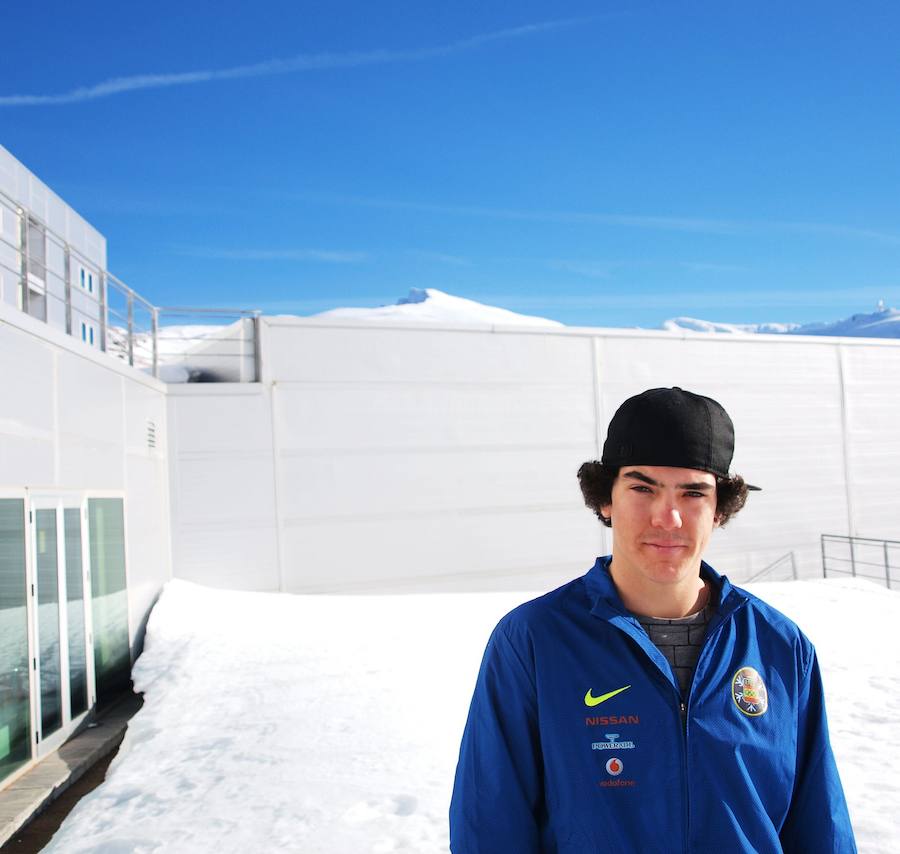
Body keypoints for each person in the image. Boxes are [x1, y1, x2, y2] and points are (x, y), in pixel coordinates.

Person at [449, 387, 856, 853]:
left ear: (720, 508)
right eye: (643, 488)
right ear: (606, 499)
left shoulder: (779, 645)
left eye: (693, 492)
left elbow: (819, 821)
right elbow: (490, 822)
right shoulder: (533, 640)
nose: (669, 517)